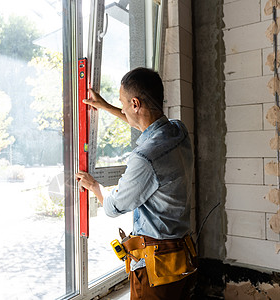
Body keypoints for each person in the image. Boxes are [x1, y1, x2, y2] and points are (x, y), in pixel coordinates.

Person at [75, 67, 195, 299]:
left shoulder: (145, 159)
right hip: (183, 259)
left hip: (157, 271)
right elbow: (146, 127)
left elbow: (113, 207)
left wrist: (94, 186)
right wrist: (106, 107)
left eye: (123, 103)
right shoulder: (179, 131)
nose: (122, 108)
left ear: (135, 104)